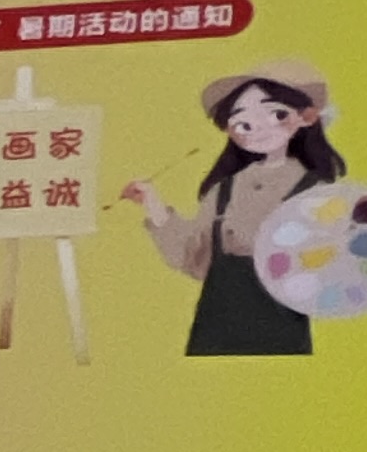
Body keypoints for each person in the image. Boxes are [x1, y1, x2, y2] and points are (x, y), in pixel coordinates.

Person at [122, 66, 344, 358]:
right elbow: (194, 255)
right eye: (242, 122)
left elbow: (330, 264)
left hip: (280, 326)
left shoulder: (316, 191)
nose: (257, 127)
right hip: (215, 325)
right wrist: (152, 202)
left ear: (307, 117)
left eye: (276, 114)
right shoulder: (225, 188)